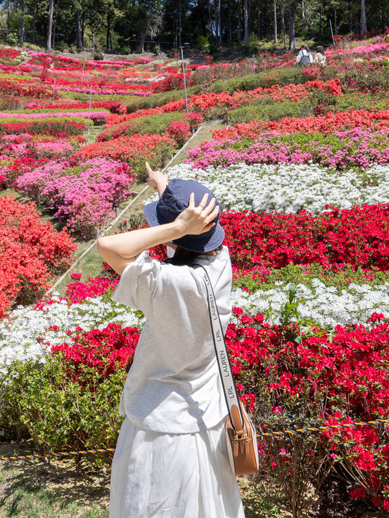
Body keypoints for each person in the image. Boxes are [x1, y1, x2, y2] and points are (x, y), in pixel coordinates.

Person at [97, 162, 244, 518]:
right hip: (205, 421)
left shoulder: (168, 285)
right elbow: (191, 243)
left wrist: (174, 226)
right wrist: (164, 188)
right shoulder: (220, 263)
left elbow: (107, 246)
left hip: (158, 428)